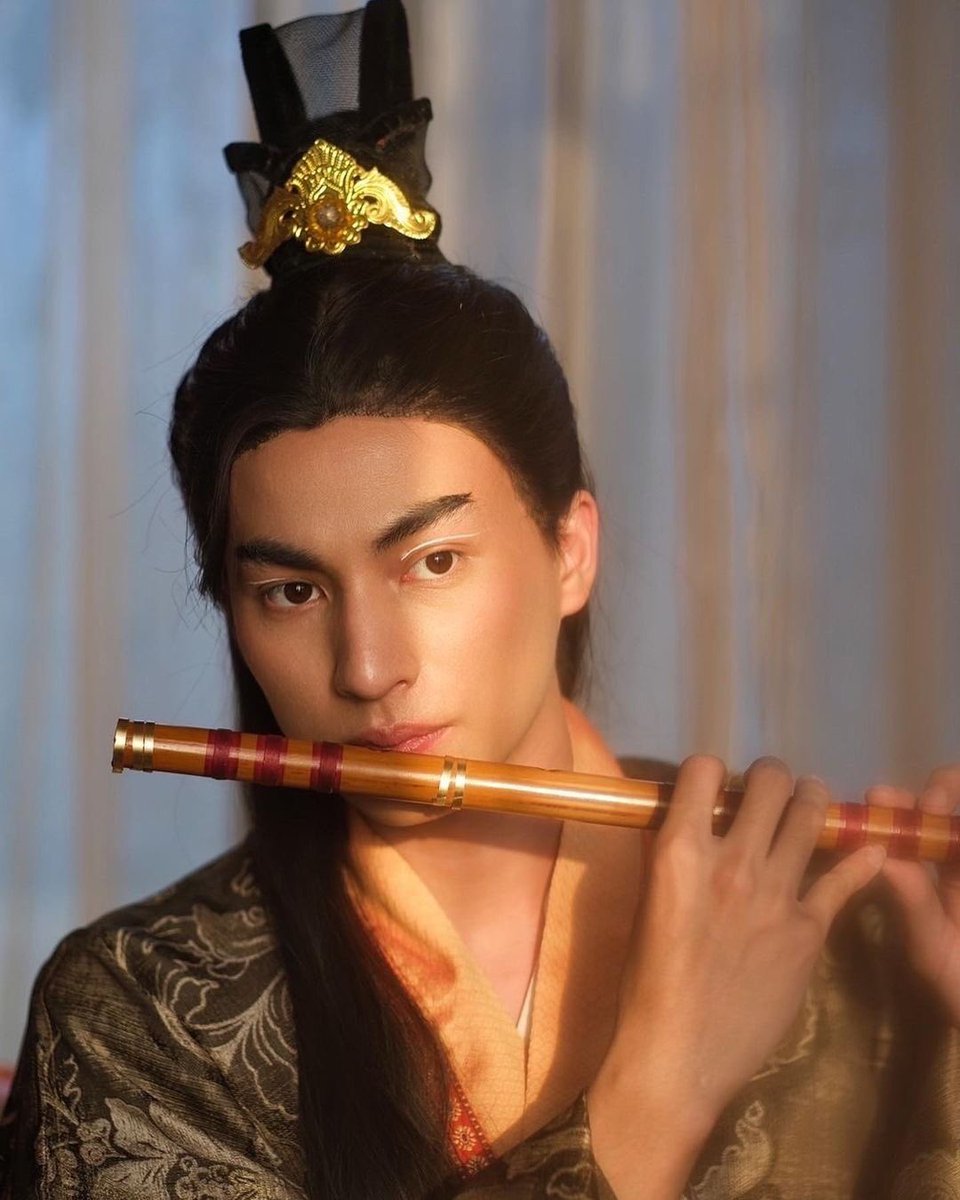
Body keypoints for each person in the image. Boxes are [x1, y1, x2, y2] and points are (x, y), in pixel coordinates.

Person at [2, 3, 959, 1197]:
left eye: (433, 562)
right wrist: (658, 1090)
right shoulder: (135, 1012)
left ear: (570, 549)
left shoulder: (850, 931)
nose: (367, 666)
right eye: (292, 590)